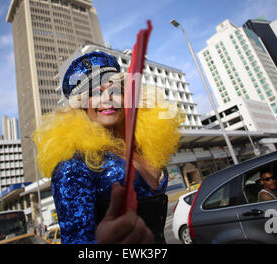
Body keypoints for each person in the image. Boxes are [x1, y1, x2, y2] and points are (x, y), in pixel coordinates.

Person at [33, 51, 181, 244]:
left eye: (115, 90)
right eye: (95, 93)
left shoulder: (140, 148)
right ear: (80, 106)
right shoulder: (74, 166)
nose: (107, 99)